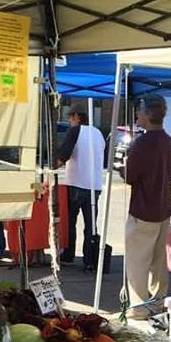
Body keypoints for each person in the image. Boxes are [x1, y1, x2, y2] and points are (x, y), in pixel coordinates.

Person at [122, 94, 171, 320]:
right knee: (158, 262)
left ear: (148, 114)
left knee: (137, 263)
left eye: (140, 110)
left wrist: (122, 166)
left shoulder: (142, 143)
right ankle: (158, 302)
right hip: (163, 207)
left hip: (143, 209)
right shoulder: (168, 140)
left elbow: (130, 176)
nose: (137, 114)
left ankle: (139, 308)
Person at [55, 106, 106, 268]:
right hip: (95, 184)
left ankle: (68, 254)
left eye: (70, 117)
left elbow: (65, 153)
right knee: (90, 224)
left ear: (77, 116)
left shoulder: (75, 131)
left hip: (76, 182)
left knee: (70, 221)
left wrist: (54, 165)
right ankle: (90, 259)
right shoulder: (98, 133)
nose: (69, 120)